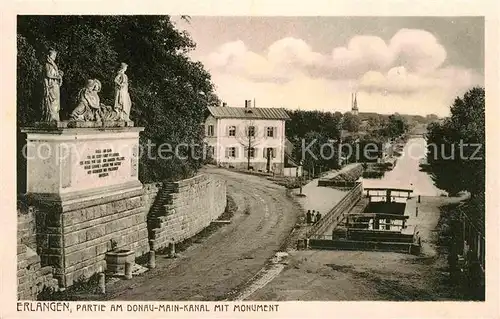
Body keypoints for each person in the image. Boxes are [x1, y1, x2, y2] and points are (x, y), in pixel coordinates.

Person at [42, 49, 63, 122]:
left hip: (55, 85)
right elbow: (48, 74)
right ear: (50, 55)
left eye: (55, 55)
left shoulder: (54, 65)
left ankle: (55, 117)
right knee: (52, 101)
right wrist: (56, 77)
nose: (55, 57)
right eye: (53, 55)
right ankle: (51, 118)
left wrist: (59, 77)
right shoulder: (47, 64)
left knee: (56, 102)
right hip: (51, 85)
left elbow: (55, 74)